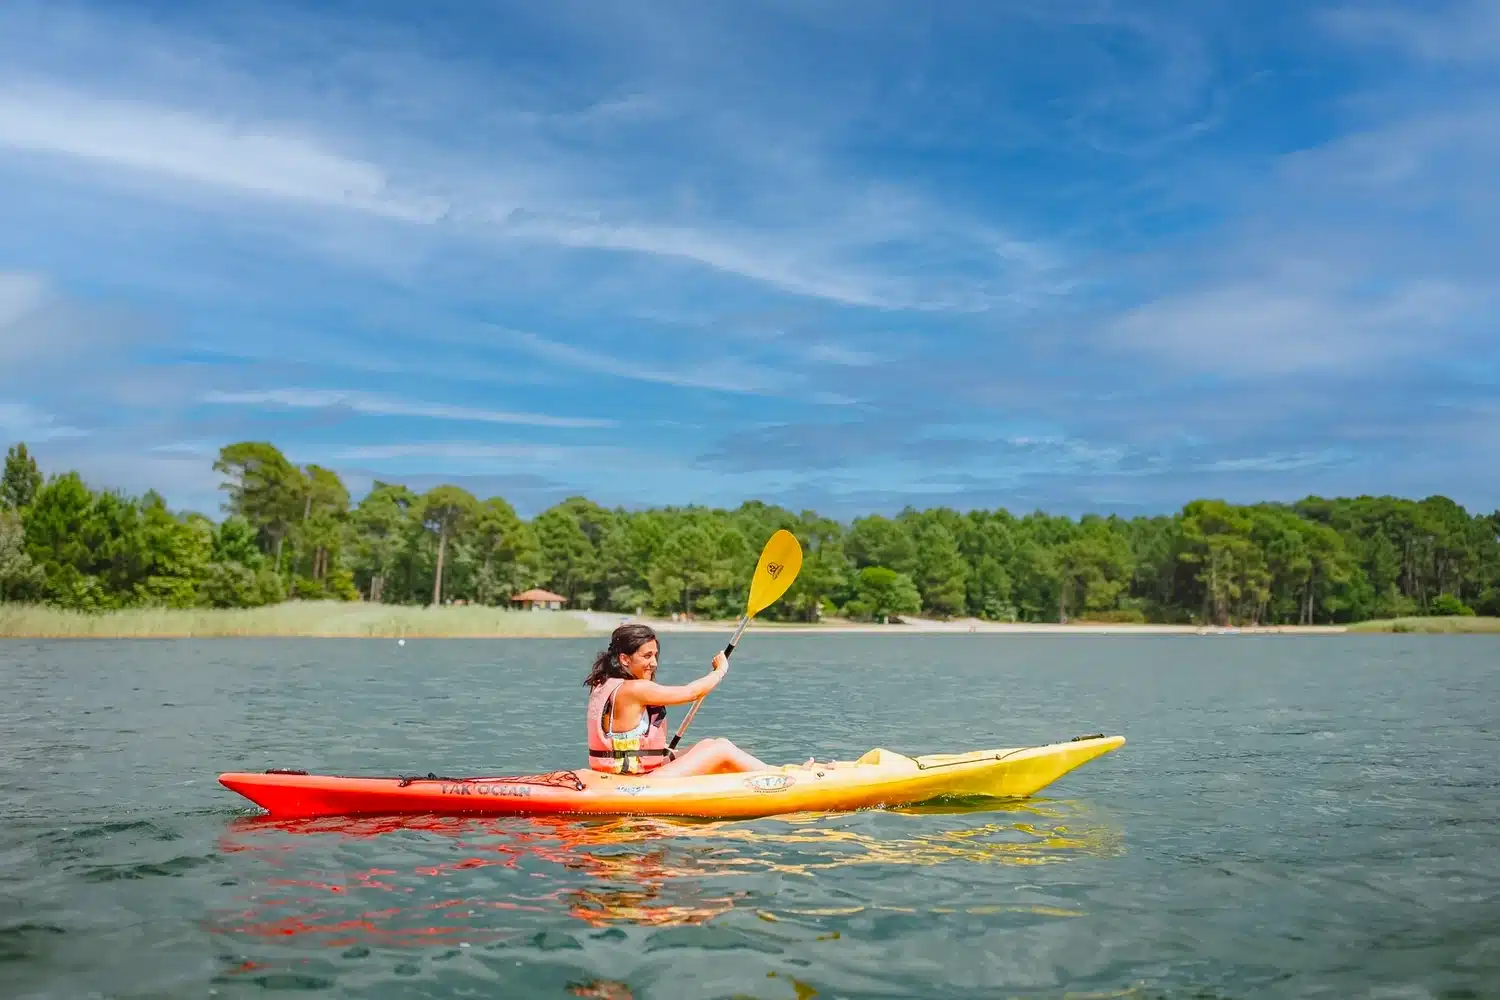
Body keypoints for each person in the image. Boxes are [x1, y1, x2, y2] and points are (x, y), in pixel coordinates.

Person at [584, 623, 770, 777]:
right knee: (720, 749)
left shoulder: (604, 684)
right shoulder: (635, 688)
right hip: (634, 781)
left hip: (619, 772)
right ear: (624, 659)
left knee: (711, 744)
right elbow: (691, 693)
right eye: (647, 656)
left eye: (655, 655)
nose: (654, 663)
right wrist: (719, 671)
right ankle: (779, 779)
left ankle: (771, 774)